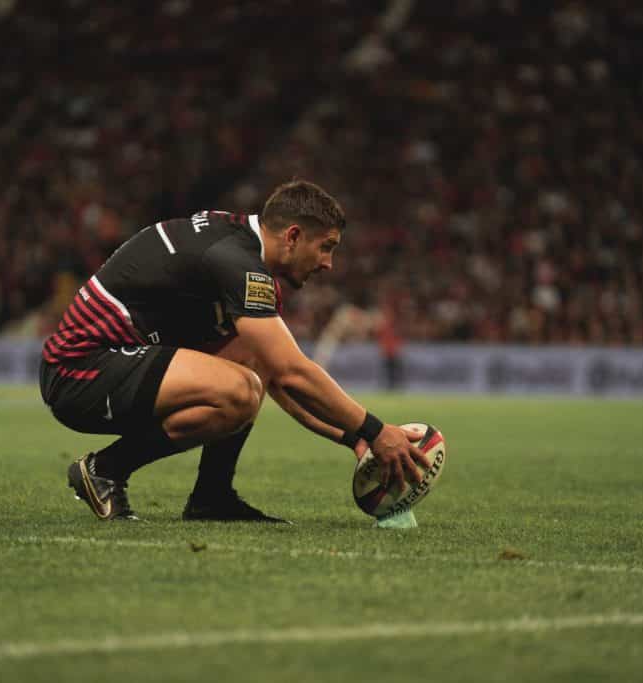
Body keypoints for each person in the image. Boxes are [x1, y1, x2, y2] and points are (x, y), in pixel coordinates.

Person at [39, 180, 428, 523]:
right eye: (326, 247)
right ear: (292, 236)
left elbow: (279, 379)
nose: (328, 264)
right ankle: (104, 469)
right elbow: (293, 371)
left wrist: (357, 442)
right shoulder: (236, 262)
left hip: (116, 360)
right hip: (80, 370)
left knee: (251, 366)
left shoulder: (240, 254)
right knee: (238, 391)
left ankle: (212, 496)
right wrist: (377, 431)